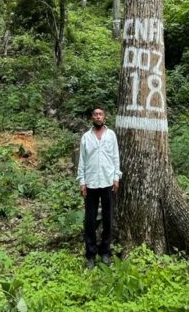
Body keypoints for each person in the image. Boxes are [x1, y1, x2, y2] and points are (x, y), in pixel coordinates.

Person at [76, 107, 121, 268]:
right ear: (91, 118)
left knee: (108, 219)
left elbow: (116, 157)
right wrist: (82, 181)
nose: (98, 116)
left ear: (104, 117)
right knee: (90, 220)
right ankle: (90, 254)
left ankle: (105, 252)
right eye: (95, 114)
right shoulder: (86, 137)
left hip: (108, 182)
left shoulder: (111, 136)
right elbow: (82, 160)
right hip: (91, 183)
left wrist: (116, 177)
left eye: (101, 114)